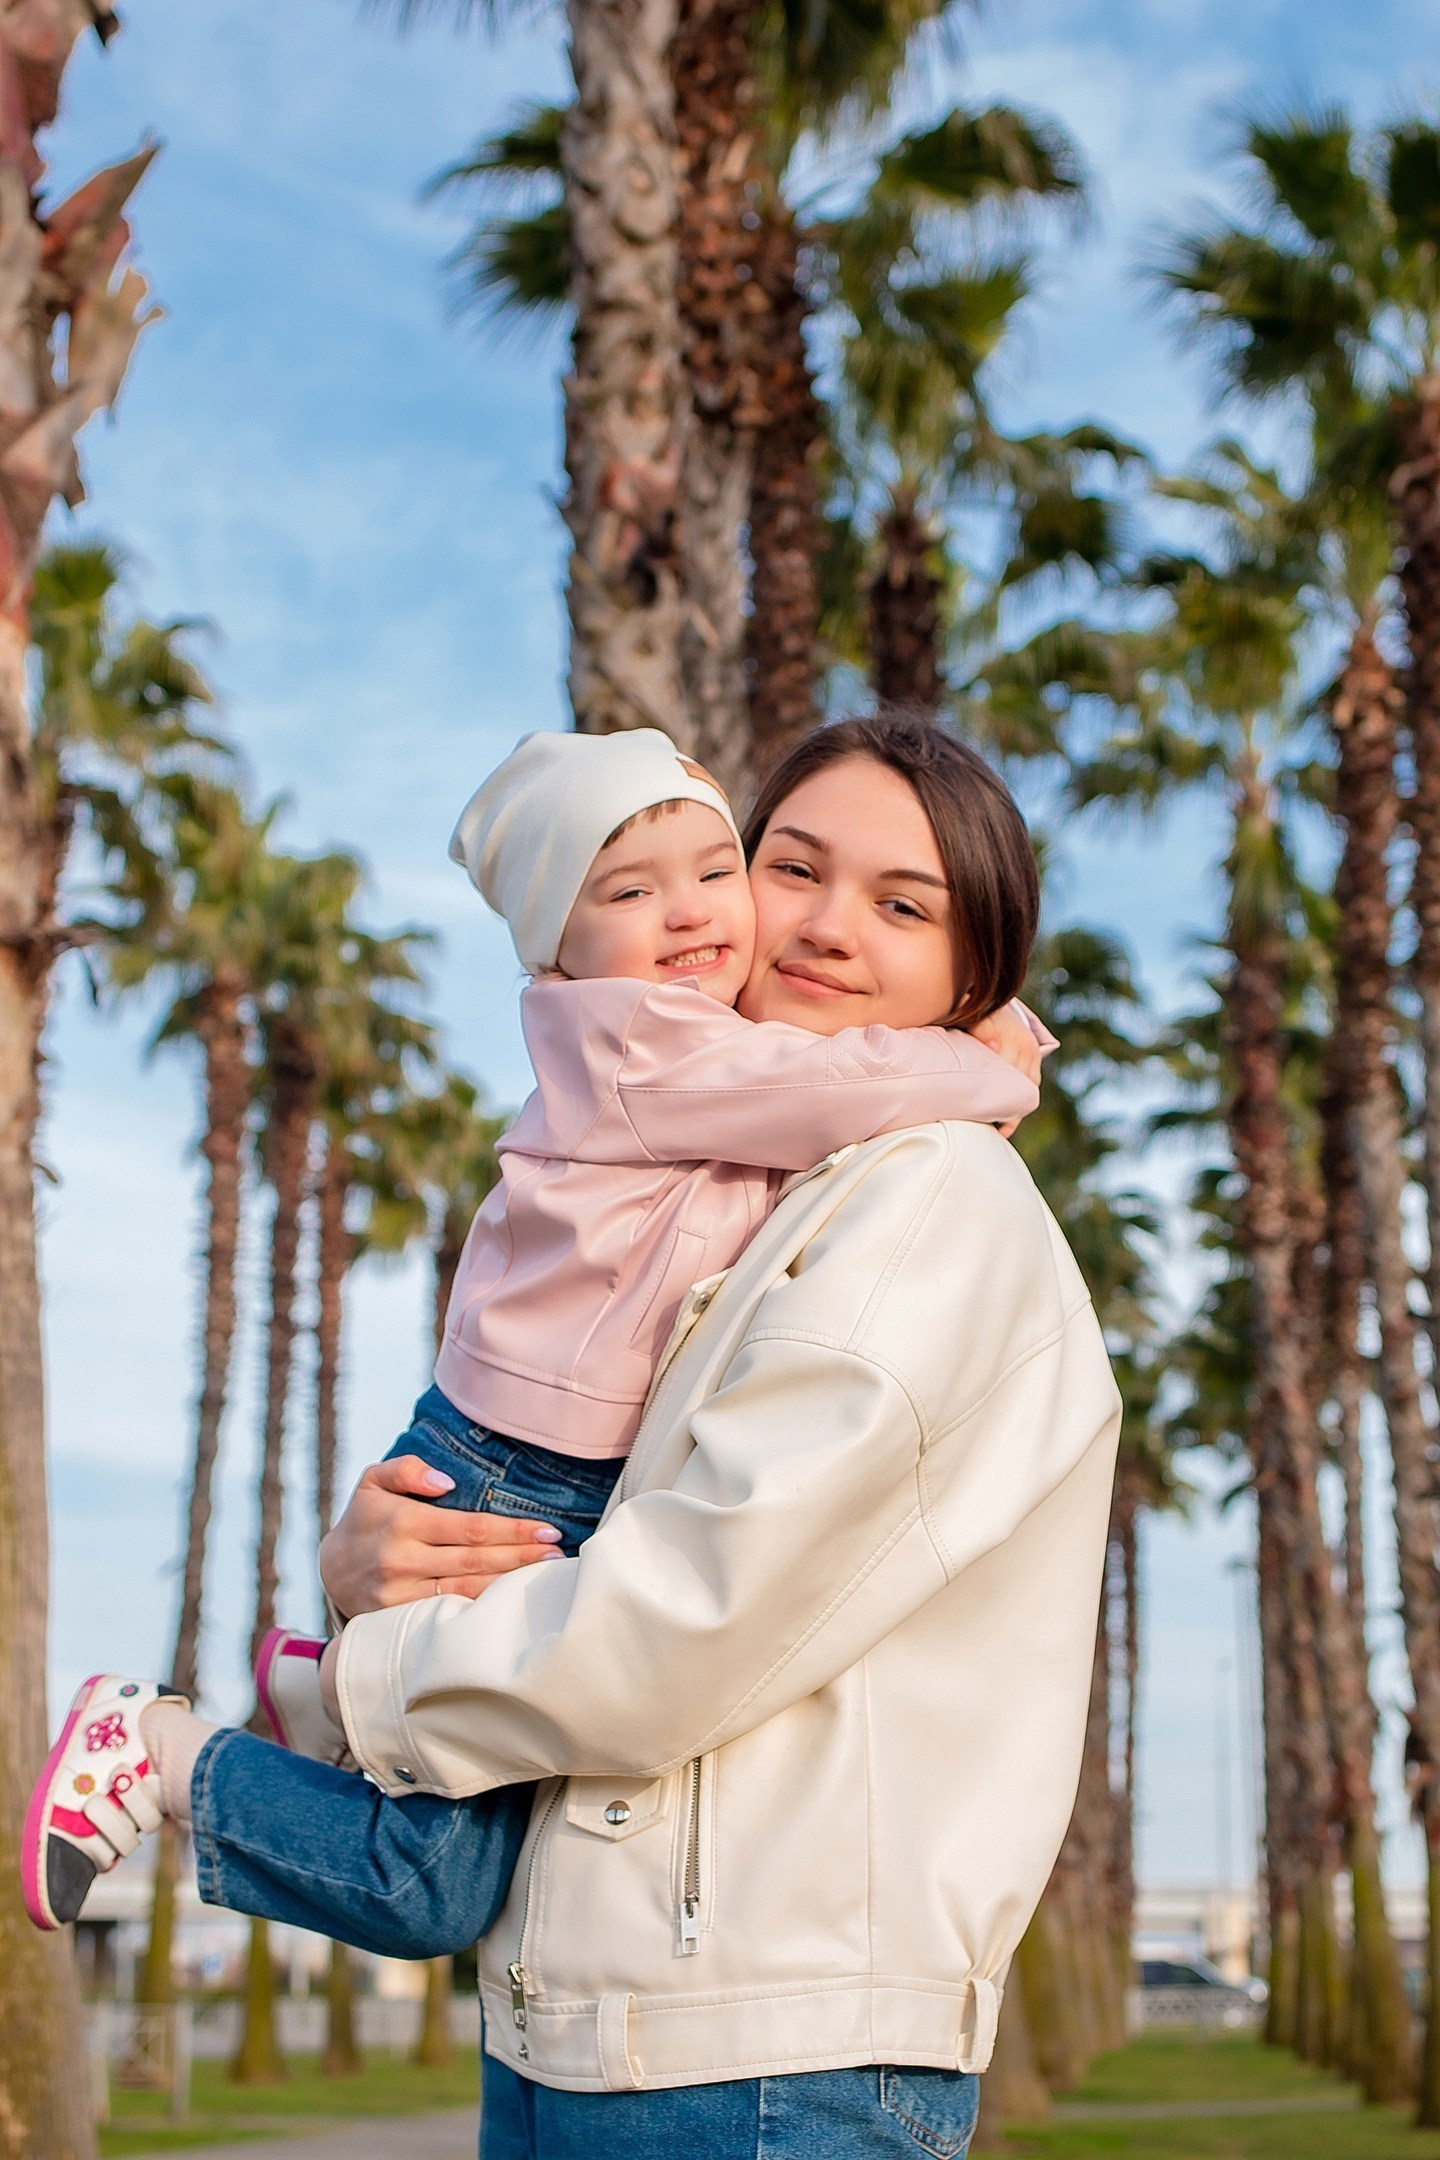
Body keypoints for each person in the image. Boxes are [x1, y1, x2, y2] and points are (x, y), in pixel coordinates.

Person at [24, 722, 1047, 1940]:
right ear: (561, 943)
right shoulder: (645, 1040)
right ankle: (152, 1747)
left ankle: (308, 1699)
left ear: (976, 955)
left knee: (434, 1885)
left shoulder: (880, 1167)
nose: (816, 926)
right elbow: (839, 1090)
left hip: (540, 1474)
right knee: (425, 1887)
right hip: (530, 1463)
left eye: (902, 906)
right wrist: (997, 1058)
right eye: (792, 870)